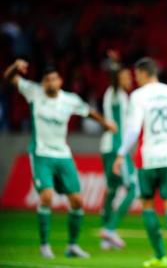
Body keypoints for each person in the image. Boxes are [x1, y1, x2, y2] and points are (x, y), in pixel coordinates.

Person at [3, 59, 116, 259]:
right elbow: (9, 77)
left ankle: (72, 246)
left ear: (60, 81)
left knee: (78, 201)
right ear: (43, 82)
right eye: (47, 80)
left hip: (63, 155)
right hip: (41, 154)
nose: (50, 83)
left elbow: (87, 112)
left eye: (53, 79)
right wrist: (15, 67)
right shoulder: (33, 92)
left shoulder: (69, 100)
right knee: (46, 197)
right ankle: (44, 245)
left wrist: (105, 123)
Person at [113, 57, 167, 268]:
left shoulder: (138, 96)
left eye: (137, 75)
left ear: (142, 73)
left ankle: (160, 256)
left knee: (148, 204)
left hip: (147, 157)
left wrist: (121, 153)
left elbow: (132, 129)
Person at [99, 66, 137, 249]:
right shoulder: (115, 93)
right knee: (133, 187)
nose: (130, 79)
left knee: (112, 189)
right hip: (116, 148)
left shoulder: (118, 94)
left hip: (108, 146)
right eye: (126, 76)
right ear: (117, 79)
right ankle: (110, 229)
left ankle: (105, 237)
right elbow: (114, 81)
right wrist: (114, 66)